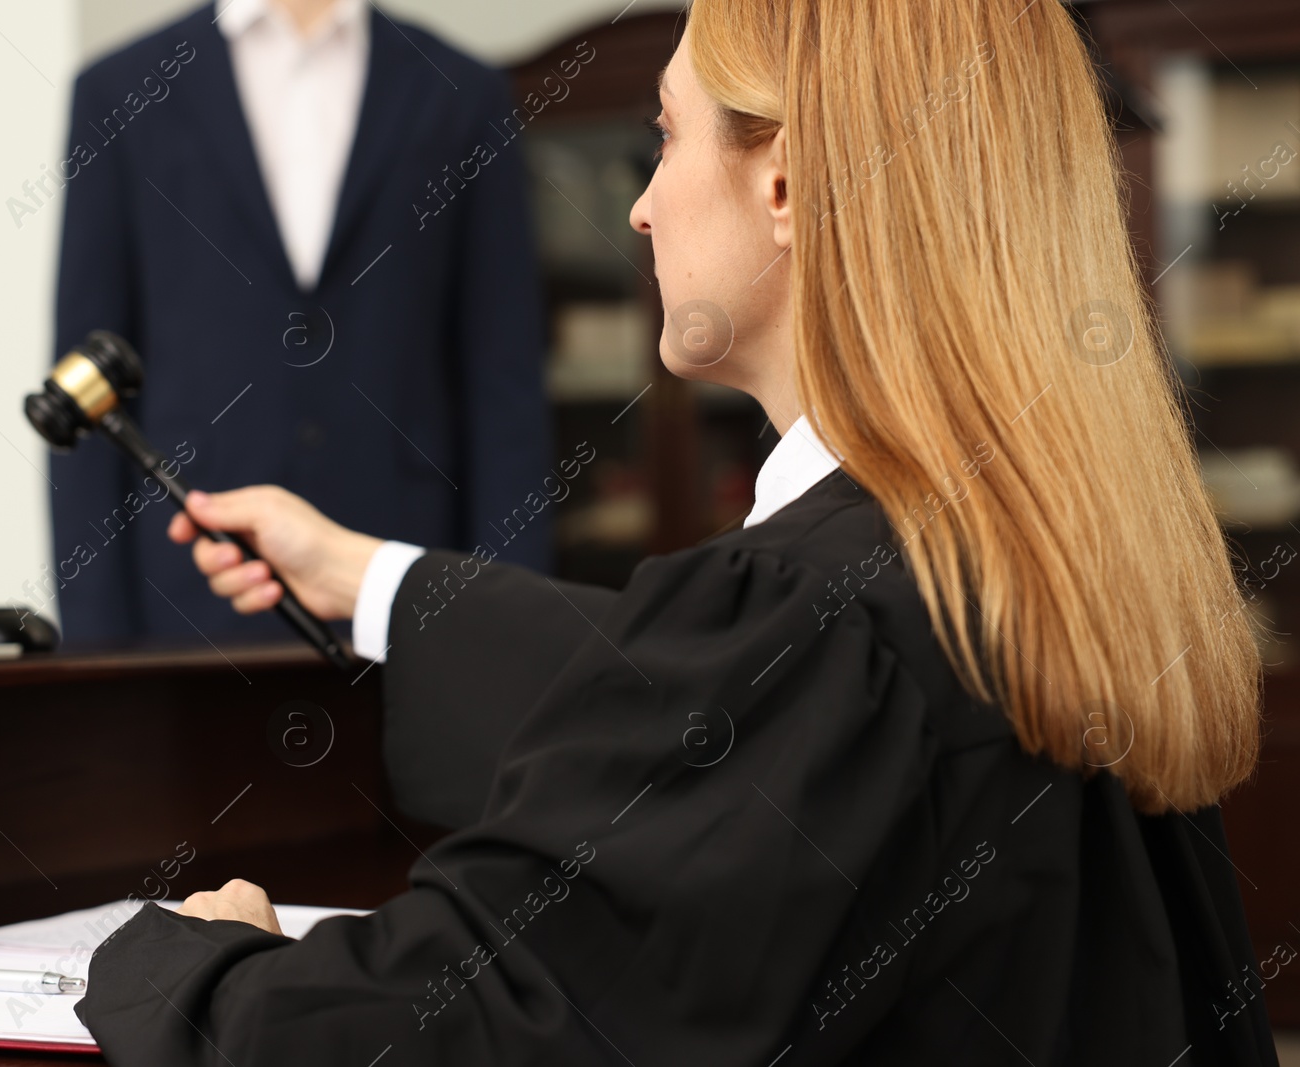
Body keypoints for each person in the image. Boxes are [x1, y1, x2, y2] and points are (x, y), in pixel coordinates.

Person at [73, 1, 1278, 1062]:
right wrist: (364, 572)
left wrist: (196, 966)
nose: (641, 207)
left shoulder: (803, 619)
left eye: (665, 132)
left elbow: (457, 1022)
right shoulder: (1040, 563)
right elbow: (723, 724)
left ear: (788, 183)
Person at [48, 0, 552, 646]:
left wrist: (512, 636)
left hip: (415, 601)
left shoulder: (462, 92)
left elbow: (504, 385)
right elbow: (88, 385)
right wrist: (95, 654)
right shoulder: (118, 93)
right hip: (184, 607)